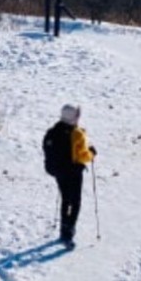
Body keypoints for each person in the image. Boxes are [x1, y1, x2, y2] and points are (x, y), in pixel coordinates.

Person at [44, 104, 96, 248]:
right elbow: (83, 156)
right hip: (73, 172)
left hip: (58, 172)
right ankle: (69, 233)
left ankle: (63, 231)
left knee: (65, 199)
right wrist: (92, 153)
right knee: (76, 201)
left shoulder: (53, 131)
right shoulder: (76, 134)